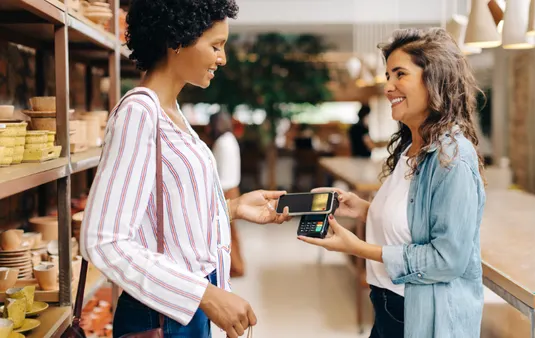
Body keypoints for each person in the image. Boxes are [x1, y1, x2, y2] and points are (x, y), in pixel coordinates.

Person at [79, 1, 290, 337]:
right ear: (177, 41)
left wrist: (232, 208)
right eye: (216, 45)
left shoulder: (171, 112)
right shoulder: (140, 113)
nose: (222, 58)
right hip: (163, 313)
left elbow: (166, 217)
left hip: (183, 306)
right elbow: (103, 241)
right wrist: (203, 295)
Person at [299, 27, 486, 338]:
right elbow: (412, 221)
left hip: (420, 316)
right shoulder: (412, 148)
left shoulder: (452, 159)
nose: (388, 87)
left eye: (400, 74)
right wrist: (361, 209)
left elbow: (448, 259)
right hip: (388, 304)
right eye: (387, 75)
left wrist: (359, 248)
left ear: (434, 79)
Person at [208, 111, 244, 277]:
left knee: (226, 231)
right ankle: (236, 266)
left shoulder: (222, 143)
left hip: (225, 190)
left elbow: (219, 174)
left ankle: (235, 267)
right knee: (231, 231)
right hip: (232, 188)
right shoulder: (230, 139)